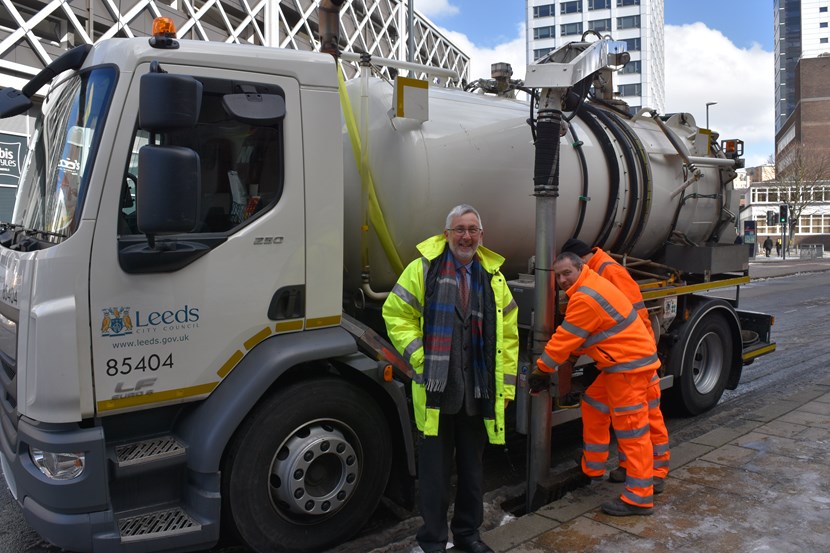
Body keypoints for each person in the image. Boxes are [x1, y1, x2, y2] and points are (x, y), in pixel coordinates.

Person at [383, 204, 519, 553]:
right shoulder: (423, 269)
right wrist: (420, 357)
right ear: (446, 234)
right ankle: (431, 541)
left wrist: (504, 388)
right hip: (436, 392)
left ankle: (468, 536)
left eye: (473, 229)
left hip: (477, 391)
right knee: (434, 477)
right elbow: (396, 313)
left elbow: (507, 336)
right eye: (459, 229)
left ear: (481, 236)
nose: (466, 236)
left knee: (473, 474)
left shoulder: (493, 277)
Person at [529, 252, 661, 516]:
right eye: (559, 276)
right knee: (594, 403)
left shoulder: (585, 298)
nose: (564, 280)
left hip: (627, 368)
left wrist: (541, 370)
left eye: (568, 273)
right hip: (626, 363)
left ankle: (638, 498)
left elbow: (565, 338)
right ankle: (594, 466)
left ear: (581, 268)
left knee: (632, 432)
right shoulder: (590, 286)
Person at [560, 239, 669, 492]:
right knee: (611, 409)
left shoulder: (609, 271)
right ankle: (625, 467)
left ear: (582, 261)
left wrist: (643, 354)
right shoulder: (599, 270)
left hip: (636, 359)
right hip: (632, 357)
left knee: (640, 418)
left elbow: (635, 314)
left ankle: (654, 474)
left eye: (572, 270)